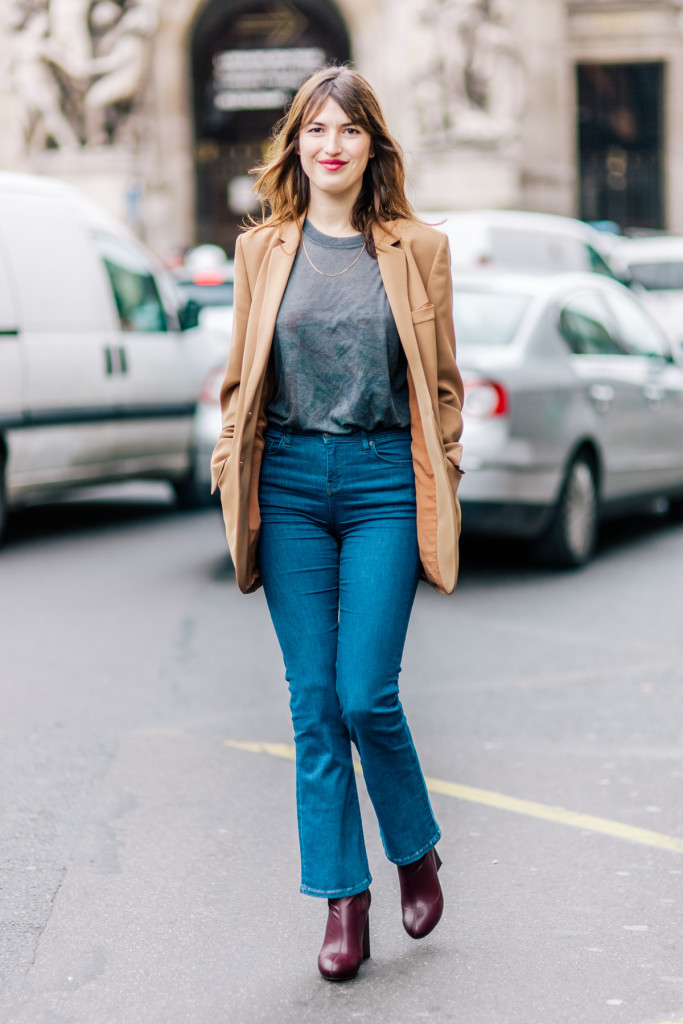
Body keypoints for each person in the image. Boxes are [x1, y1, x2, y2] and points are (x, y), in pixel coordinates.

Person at [211, 64, 464, 982]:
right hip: (287, 485)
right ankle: (342, 901)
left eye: (348, 130)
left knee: (366, 694)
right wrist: (227, 462)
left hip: (380, 483)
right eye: (316, 129)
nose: (331, 145)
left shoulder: (416, 248)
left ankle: (415, 850)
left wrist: (443, 462)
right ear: (296, 146)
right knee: (313, 704)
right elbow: (242, 377)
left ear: (371, 146)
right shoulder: (259, 251)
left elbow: (440, 384)